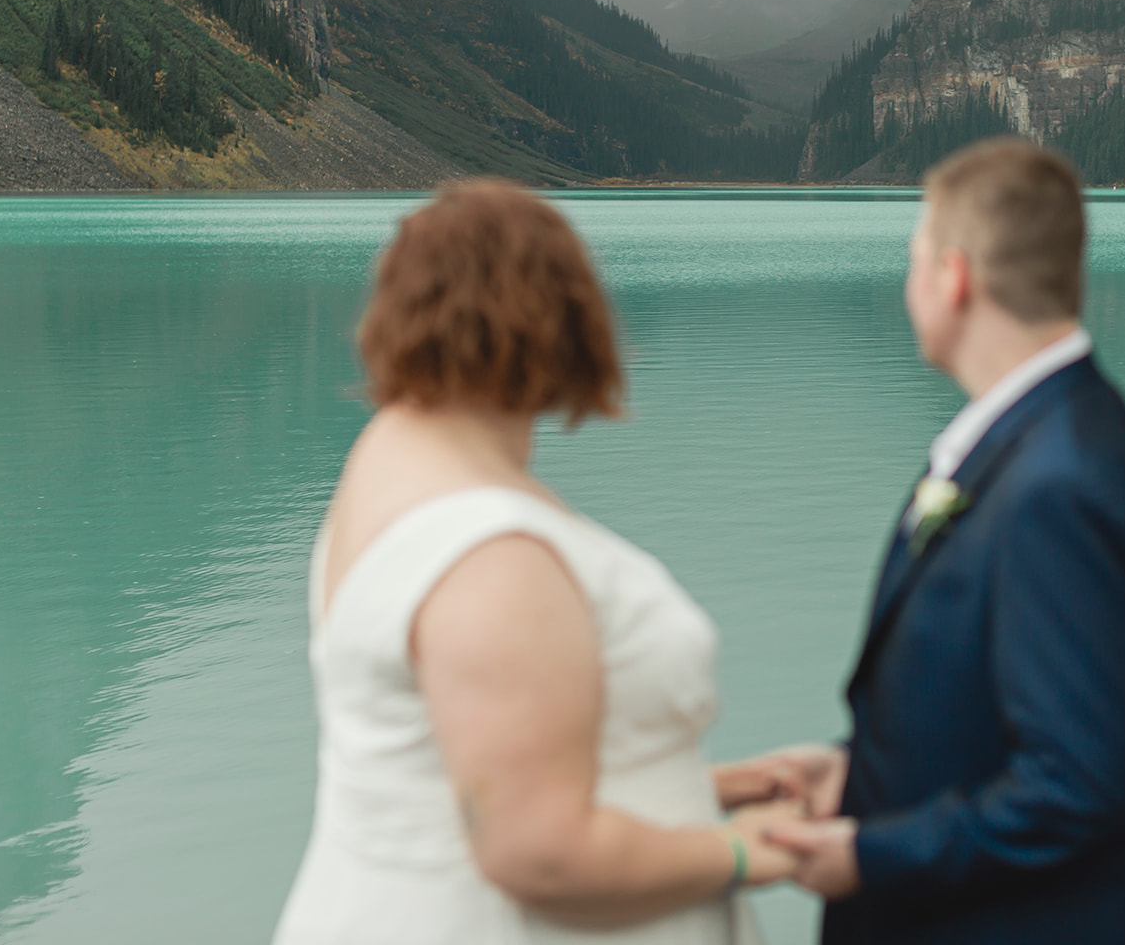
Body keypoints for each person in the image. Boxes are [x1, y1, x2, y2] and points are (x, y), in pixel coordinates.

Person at [273, 180, 803, 945]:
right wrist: (747, 852)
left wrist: (714, 787)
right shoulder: (492, 555)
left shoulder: (388, 460)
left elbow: (462, 778)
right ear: (562, 315)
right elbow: (538, 851)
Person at [757, 138, 1125, 944]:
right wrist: (861, 777)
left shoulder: (1054, 483)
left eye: (914, 260)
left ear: (954, 277)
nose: (908, 284)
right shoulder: (1053, 431)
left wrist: (872, 856)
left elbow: (1076, 786)